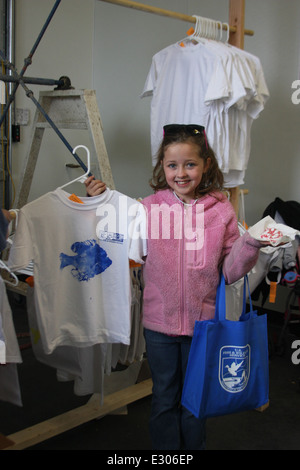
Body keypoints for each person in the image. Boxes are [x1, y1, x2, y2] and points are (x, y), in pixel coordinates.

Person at [85, 123, 264, 450]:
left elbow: (229, 271)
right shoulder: (147, 208)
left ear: (205, 164)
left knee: (195, 403)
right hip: (159, 326)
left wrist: (252, 243)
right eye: (172, 165)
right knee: (165, 397)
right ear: (162, 167)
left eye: (190, 164)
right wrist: (98, 202)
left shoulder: (221, 209)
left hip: (203, 327)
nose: (181, 173)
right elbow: (111, 233)